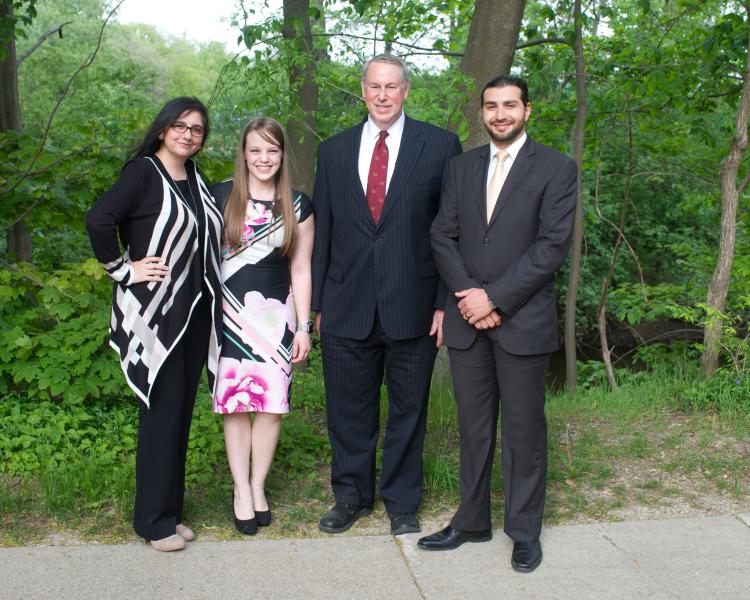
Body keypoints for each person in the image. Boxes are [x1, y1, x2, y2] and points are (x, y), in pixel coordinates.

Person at [420, 75, 577, 573]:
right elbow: (442, 235)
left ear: (527, 110)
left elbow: (551, 247)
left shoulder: (556, 168)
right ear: (482, 113)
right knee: (473, 428)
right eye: (491, 106)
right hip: (469, 323)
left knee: (524, 430)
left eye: (510, 105)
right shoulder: (461, 167)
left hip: (521, 321)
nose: (500, 114)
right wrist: (471, 299)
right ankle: (470, 521)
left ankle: (524, 531)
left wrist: (495, 299)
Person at [312, 53, 462, 536]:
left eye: (391, 87)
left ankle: (401, 502)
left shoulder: (440, 146)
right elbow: (324, 232)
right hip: (345, 303)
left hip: (414, 305)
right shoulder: (333, 151)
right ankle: (351, 498)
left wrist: (444, 301)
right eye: (374, 86)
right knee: (347, 411)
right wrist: (316, 304)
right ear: (363, 91)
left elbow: (450, 230)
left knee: (408, 411)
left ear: (406, 91)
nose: (382, 95)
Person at [86, 97, 223, 552]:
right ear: (163, 129)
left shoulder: (195, 179)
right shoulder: (144, 172)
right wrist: (123, 270)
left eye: (197, 129)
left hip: (192, 313)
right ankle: (152, 522)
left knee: (180, 416)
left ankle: (170, 512)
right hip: (155, 315)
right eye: (180, 126)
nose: (188, 134)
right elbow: (99, 219)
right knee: (161, 416)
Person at [211, 117, 314, 535]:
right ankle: (239, 490)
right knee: (236, 407)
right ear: (244, 153)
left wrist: (304, 326)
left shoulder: (299, 204)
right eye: (256, 150)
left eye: (272, 150)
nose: (263, 158)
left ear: (282, 155)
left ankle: (258, 487)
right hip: (228, 317)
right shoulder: (221, 196)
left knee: (270, 408)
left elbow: (302, 267)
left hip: (277, 319)